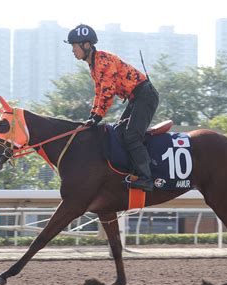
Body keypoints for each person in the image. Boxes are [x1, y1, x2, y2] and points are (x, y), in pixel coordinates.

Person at [64, 24, 159, 192]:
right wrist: (93, 114)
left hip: (145, 96)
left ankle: (146, 178)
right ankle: (135, 170)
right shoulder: (94, 65)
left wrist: (98, 117)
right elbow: (99, 92)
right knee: (120, 131)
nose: (72, 50)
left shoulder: (103, 61)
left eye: (74, 46)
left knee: (131, 135)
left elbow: (108, 91)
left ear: (86, 45)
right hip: (136, 98)